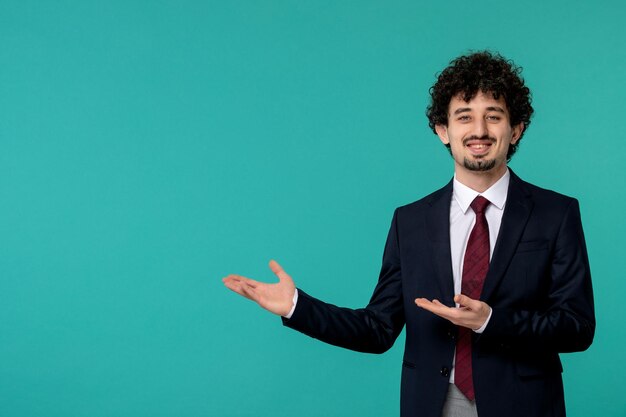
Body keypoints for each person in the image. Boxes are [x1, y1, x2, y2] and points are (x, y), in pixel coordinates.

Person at [222, 51, 595, 417]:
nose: (479, 131)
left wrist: (489, 320)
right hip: (433, 402)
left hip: (524, 404)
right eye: (464, 117)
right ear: (442, 130)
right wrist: (296, 306)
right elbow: (377, 329)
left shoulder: (556, 214)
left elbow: (577, 328)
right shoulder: (410, 222)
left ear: (516, 128)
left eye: (493, 117)